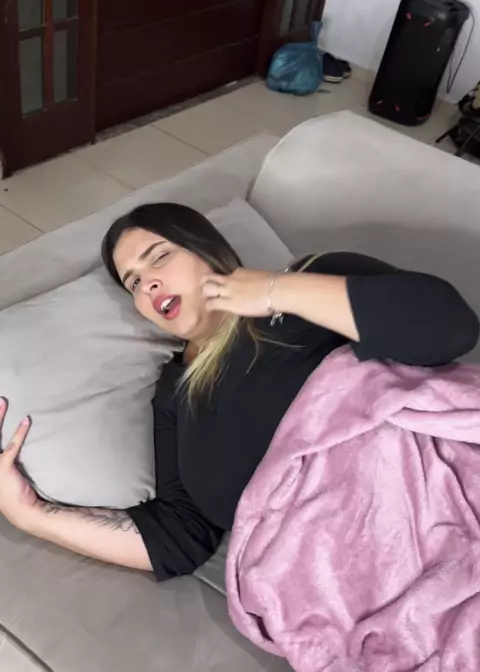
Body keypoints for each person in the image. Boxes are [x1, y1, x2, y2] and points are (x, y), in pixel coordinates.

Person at [0, 203, 478, 579]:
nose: (149, 285)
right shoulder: (173, 396)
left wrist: (275, 291)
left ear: (207, 249)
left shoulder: (309, 284)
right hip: (352, 580)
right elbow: (179, 538)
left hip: (445, 502)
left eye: (159, 257)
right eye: (134, 283)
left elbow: (449, 328)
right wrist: (30, 515)